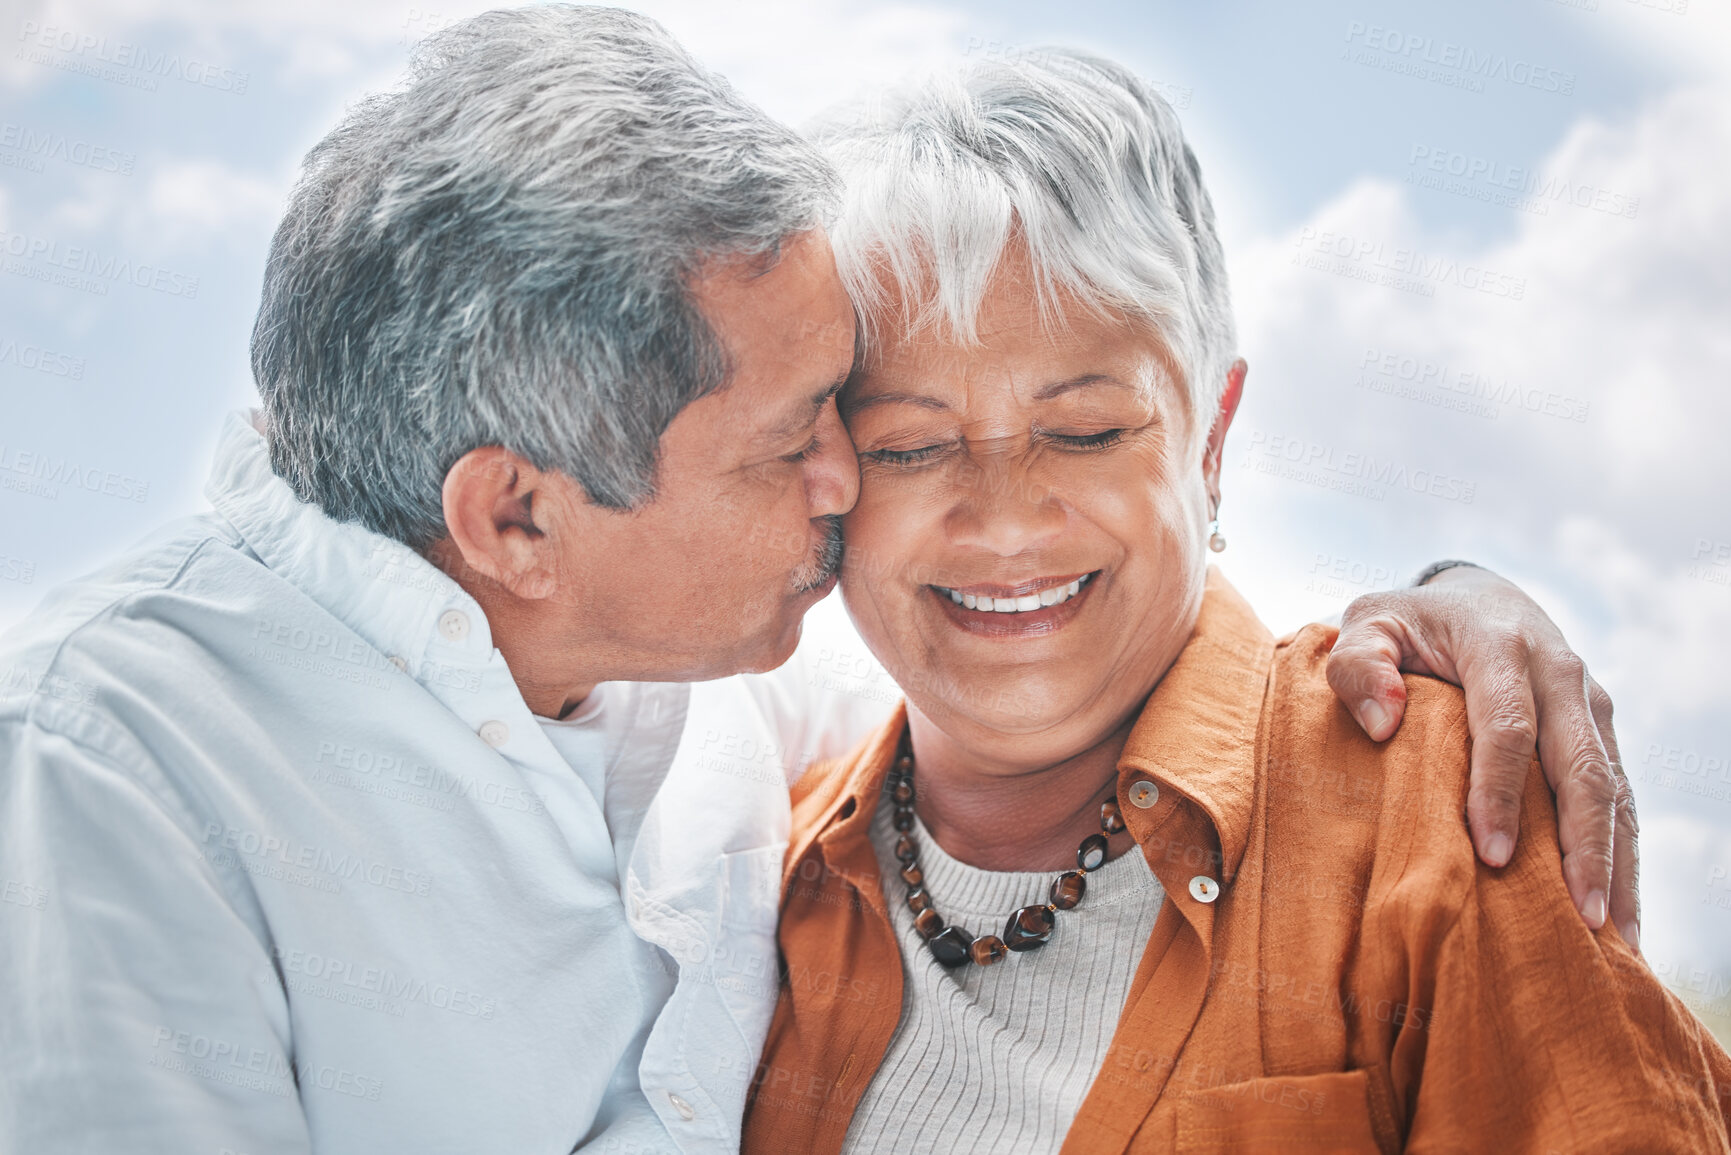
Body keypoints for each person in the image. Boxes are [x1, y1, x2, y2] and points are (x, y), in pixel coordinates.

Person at [0, 8, 1636, 1154]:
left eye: (1075, 429)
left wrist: (1455, 599)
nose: (865, 498)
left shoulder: (751, 650)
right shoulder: (111, 770)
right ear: (514, 524)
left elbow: (1079, 631)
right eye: (841, 440)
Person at [743, 50, 1728, 1154]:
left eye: (1087, 430)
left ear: (1213, 436)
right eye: (912, 446)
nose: (1007, 520)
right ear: (819, 475)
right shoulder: (747, 874)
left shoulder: (1450, 803)